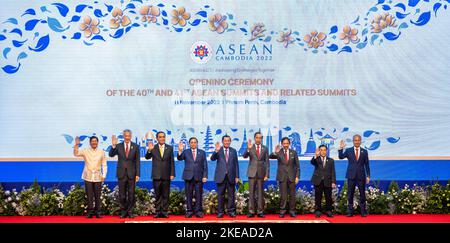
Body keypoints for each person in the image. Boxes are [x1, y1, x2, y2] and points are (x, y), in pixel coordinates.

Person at [109, 129, 140, 218]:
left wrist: (137, 174)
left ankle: (130, 211)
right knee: (122, 194)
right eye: (125, 136)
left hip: (132, 174)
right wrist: (113, 146)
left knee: (131, 194)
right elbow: (111, 154)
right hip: (121, 173)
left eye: (128, 136)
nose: (127, 137)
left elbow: (137, 162)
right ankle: (123, 211)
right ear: (123, 136)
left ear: (131, 136)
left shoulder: (136, 146)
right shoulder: (118, 146)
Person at [74, 136, 107, 218]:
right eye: (92, 141)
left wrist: (104, 175)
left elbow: (104, 164)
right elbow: (76, 154)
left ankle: (98, 212)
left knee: (97, 196)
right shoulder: (85, 151)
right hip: (88, 176)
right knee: (89, 196)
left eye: (95, 141)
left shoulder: (101, 152)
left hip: (98, 176)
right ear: (90, 142)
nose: (94, 142)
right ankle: (90, 213)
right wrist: (76, 145)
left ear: (97, 142)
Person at [338, 134, 371, 217]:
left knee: (362, 194)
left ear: (360, 141)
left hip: (361, 175)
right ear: (353, 141)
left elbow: (367, 164)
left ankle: (363, 211)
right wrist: (341, 148)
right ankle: (350, 212)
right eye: (355, 140)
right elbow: (341, 157)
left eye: (358, 140)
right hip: (351, 175)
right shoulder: (348, 150)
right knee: (350, 194)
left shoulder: (364, 151)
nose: (357, 142)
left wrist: (368, 176)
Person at [145, 131, 175, 218]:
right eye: (160, 137)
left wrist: (172, 173)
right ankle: (158, 212)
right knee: (158, 195)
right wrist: (149, 150)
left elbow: (172, 162)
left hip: (166, 175)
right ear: (157, 138)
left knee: (166, 194)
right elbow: (147, 157)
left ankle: (165, 212)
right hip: (156, 175)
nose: (162, 138)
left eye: (163, 137)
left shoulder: (169, 148)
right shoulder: (153, 148)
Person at [177, 137, 208, 218]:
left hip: (199, 177)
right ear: (189, 144)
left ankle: (198, 212)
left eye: (195, 142)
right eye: (191, 142)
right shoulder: (186, 152)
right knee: (189, 195)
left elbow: (205, 165)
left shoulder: (202, 152)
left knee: (199, 195)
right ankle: (189, 211)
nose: (193, 144)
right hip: (188, 177)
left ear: (197, 143)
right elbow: (179, 158)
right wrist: (180, 151)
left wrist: (205, 176)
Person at [269, 137, 300, 218]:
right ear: (282, 144)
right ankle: (282, 211)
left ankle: (292, 211)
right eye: (284, 143)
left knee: (292, 196)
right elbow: (270, 156)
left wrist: (297, 177)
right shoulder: (279, 153)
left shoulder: (294, 152)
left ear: (289, 144)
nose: (286, 145)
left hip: (292, 177)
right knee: (283, 196)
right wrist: (274, 152)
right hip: (282, 177)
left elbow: (297, 166)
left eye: (287, 143)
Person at [210, 135, 239, 218]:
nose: (227, 142)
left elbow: (236, 164)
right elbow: (212, 159)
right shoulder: (219, 150)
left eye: (228, 141)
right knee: (220, 195)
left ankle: (231, 211)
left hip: (231, 176)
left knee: (231, 195)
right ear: (222, 142)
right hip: (220, 176)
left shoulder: (233, 151)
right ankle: (220, 212)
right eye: (225, 141)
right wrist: (216, 151)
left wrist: (237, 176)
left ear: (230, 141)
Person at [243, 132, 269, 218]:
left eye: (260, 138)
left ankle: (260, 211)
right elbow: (244, 156)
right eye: (257, 137)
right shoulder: (251, 147)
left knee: (260, 194)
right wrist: (248, 149)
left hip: (261, 174)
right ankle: (251, 211)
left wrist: (267, 174)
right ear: (255, 138)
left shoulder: (265, 148)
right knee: (251, 194)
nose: (258, 139)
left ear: (262, 139)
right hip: (252, 173)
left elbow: (267, 162)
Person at [310, 145, 336, 218]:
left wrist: (333, 181)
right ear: (319, 151)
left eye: (324, 150)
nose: (323, 151)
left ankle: (328, 211)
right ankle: (318, 211)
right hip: (318, 181)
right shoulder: (316, 159)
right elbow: (312, 162)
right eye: (321, 150)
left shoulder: (331, 160)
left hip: (328, 181)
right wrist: (315, 155)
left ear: (326, 151)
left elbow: (333, 171)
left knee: (328, 197)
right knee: (318, 197)